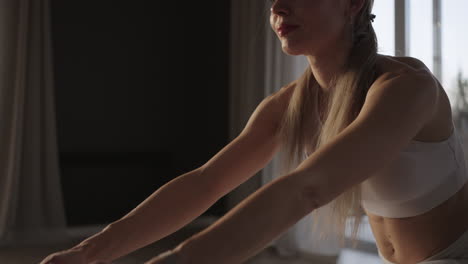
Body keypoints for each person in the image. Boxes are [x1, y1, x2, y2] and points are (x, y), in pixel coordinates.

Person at [40, 0, 468, 263]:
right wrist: (88, 253)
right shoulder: (290, 105)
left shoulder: (405, 88)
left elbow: (308, 189)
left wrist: (178, 262)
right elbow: (207, 183)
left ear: (352, 2)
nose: (278, 5)